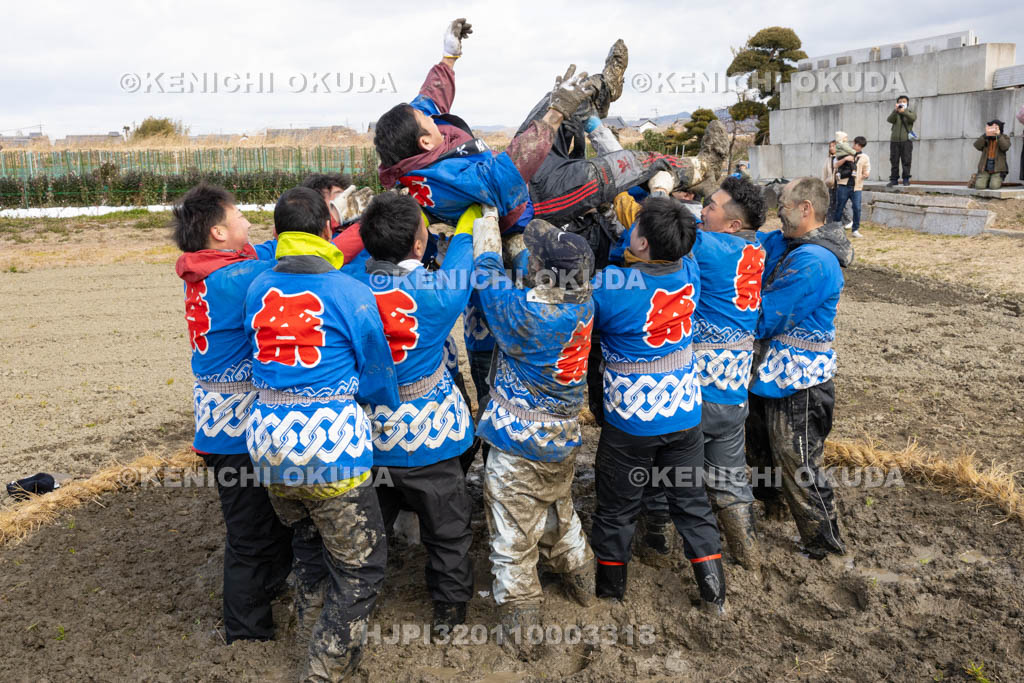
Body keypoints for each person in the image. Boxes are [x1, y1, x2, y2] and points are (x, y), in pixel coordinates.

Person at [244, 187, 400, 681]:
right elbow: (376, 371)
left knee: (310, 544)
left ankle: (314, 629)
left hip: (268, 445)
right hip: (326, 448)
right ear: (329, 230)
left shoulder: (256, 288)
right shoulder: (349, 292)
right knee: (364, 566)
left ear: (276, 235)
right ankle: (324, 667)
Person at [373, 18, 728, 234]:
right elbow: (501, 178)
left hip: (522, 163)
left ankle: (604, 88)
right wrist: (555, 114)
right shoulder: (440, 182)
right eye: (426, 121)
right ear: (423, 142)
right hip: (535, 199)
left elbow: (428, 98)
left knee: (560, 96)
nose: (430, 115)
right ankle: (700, 167)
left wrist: (449, 55)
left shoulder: (414, 139)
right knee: (624, 166)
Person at [611, 173, 767, 570]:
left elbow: (660, 231)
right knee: (731, 479)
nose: (702, 212)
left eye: (710, 206)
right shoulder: (757, 248)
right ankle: (748, 555)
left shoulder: (708, 247)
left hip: (694, 391)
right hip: (734, 392)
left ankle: (658, 545)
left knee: (666, 473)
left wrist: (659, 194)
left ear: (732, 224)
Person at [590, 195, 726, 614]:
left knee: (616, 507)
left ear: (643, 244)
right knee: (691, 502)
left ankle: (611, 593)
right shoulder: (690, 270)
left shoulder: (609, 287)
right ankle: (714, 595)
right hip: (684, 412)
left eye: (635, 230)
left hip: (631, 421)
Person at [471, 213, 597, 657]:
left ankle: (521, 629)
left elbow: (487, 279)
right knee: (558, 515)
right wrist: (523, 249)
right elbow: (533, 266)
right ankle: (583, 585)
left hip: (518, 447)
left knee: (510, 536)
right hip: (560, 441)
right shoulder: (583, 301)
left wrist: (487, 233)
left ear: (544, 276)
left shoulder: (526, 314)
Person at [172, 183, 292, 644]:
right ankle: (245, 634)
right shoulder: (234, 279)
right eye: (239, 214)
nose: (248, 220)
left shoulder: (212, 269)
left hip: (223, 425)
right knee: (248, 535)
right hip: (232, 434)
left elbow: (270, 246)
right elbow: (297, 261)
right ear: (219, 231)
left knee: (267, 520)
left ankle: (270, 591)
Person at [352, 192, 476, 633]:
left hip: (367, 439)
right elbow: (464, 257)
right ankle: (449, 615)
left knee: (367, 531)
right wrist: (469, 217)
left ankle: (356, 609)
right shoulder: (438, 293)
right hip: (433, 439)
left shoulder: (345, 288)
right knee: (448, 532)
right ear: (420, 245)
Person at [746, 177, 853, 560]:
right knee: (760, 453)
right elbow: (745, 245)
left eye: (784, 205)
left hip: (799, 385)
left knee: (799, 464)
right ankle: (773, 510)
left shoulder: (815, 261)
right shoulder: (783, 242)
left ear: (806, 208)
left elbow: (766, 318)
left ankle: (824, 546)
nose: (778, 211)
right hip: (765, 377)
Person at [832, 136, 870, 238]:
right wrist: (845, 159)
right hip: (843, 185)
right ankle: (836, 229)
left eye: (859, 145)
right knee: (839, 207)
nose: (856, 146)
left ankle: (855, 229)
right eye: (855, 144)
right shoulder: (844, 152)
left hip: (856, 187)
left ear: (861, 146)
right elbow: (835, 165)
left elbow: (867, 169)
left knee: (857, 208)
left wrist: (866, 174)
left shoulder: (864, 157)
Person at [886, 95, 916, 187]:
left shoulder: (910, 112)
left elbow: (913, 118)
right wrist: (896, 111)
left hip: (906, 140)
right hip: (894, 140)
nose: (901, 103)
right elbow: (889, 120)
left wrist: (904, 112)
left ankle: (906, 179)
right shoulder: (895, 113)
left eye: (903, 101)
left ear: (907, 103)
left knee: (906, 160)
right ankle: (894, 179)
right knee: (894, 160)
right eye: (900, 101)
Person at [973, 120, 1011, 190]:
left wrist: (998, 136)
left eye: (996, 127)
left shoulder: (1004, 137)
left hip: (998, 169)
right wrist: (985, 136)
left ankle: (994, 180)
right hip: (985, 167)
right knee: (979, 186)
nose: (993, 129)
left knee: (994, 186)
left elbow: (1005, 147)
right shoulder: (986, 138)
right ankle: (984, 180)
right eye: (992, 127)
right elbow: (977, 146)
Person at [822, 140, 852, 227]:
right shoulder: (828, 159)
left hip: (840, 184)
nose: (831, 148)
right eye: (830, 146)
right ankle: (830, 223)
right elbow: (824, 172)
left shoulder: (842, 158)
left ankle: (848, 221)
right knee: (830, 204)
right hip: (831, 185)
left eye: (833, 146)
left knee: (840, 203)